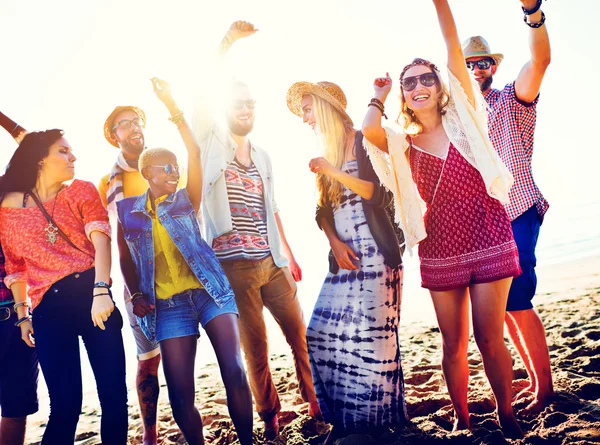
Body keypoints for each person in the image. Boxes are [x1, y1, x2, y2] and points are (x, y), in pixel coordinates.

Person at [361, 0, 523, 438]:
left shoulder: (466, 114)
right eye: (409, 82)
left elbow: (452, 46)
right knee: (453, 343)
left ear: (439, 84)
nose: (418, 86)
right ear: (404, 94)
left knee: (490, 338)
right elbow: (369, 132)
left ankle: (505, 413)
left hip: (489, 230)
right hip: (440, 243)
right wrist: (377, 97)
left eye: (426, 78)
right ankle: (462, 417)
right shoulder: (402, 141)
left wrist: (440, 3)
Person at [192, 21, 320, 439]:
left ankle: (316, 404)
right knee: (257, 350)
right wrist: (226, 42)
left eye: (250, 103)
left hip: (272, 263)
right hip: (236, 269)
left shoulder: (263, 154)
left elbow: (273, 208)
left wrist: (290, 255)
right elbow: (201, 95)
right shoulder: (212, 146)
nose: (245, 109)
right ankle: (270, 419)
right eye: (237, 104)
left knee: (302, 338)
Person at [117, 78, 253, 445]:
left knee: (234, 370)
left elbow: (193, 152)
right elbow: (125, 259)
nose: (175, 172)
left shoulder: (185, 201)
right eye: (166, 168)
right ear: (147, 173)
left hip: (211, 292)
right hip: (169, 306)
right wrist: (134, 294)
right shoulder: (127, 211)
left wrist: (171, 104)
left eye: (175, 167)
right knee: (179, 396)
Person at [286, 81, 408, 442]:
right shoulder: (326, 150)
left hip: (375, 253)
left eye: (308, 109)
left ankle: (373, 425)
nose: (306, 117)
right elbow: (322, 210)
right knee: (320, 334)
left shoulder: (360, 140)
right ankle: (345, 420)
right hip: (345, 257)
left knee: (374, 340)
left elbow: (377, 193)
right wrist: (334, 242)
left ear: (325, 107)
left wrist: (333, 170)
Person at [0, 129, 128, 444]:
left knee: (113, 396)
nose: (73, 158)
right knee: (66, 405)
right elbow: (15, 267)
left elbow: (101, 240)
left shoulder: (80, 190)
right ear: (40, 158)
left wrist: (100, 291)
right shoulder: (9, 208)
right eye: (63, 151)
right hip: (48, 311)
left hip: (92, 295)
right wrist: (23, 315)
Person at [463, 0, 553, 414]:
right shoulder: (457, 121)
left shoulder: (510, 103)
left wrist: (532, 12)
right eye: (469, 63)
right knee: (504, 309)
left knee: (517, 301)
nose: (477, 69)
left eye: (483, 62)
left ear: (492, 68)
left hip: (517, 211)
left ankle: (546, 390)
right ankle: (535, 381)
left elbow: (540, 61)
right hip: (483, 224)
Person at [98, 105, 162, 444]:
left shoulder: (163, 165)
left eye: (138, 121)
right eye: (125, 124)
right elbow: (107, 239)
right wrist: (102, 286)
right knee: (149, 360)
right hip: (134, 281)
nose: (135, 127)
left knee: (182, 355)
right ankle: (150, 434)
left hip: (177, 278)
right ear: (114, 136)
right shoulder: (107, 184)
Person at [0, 112, 39, 445]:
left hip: (15, 316)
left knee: (15, 408)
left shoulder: (5, 191)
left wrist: (2, 119)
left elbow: (34, 146)